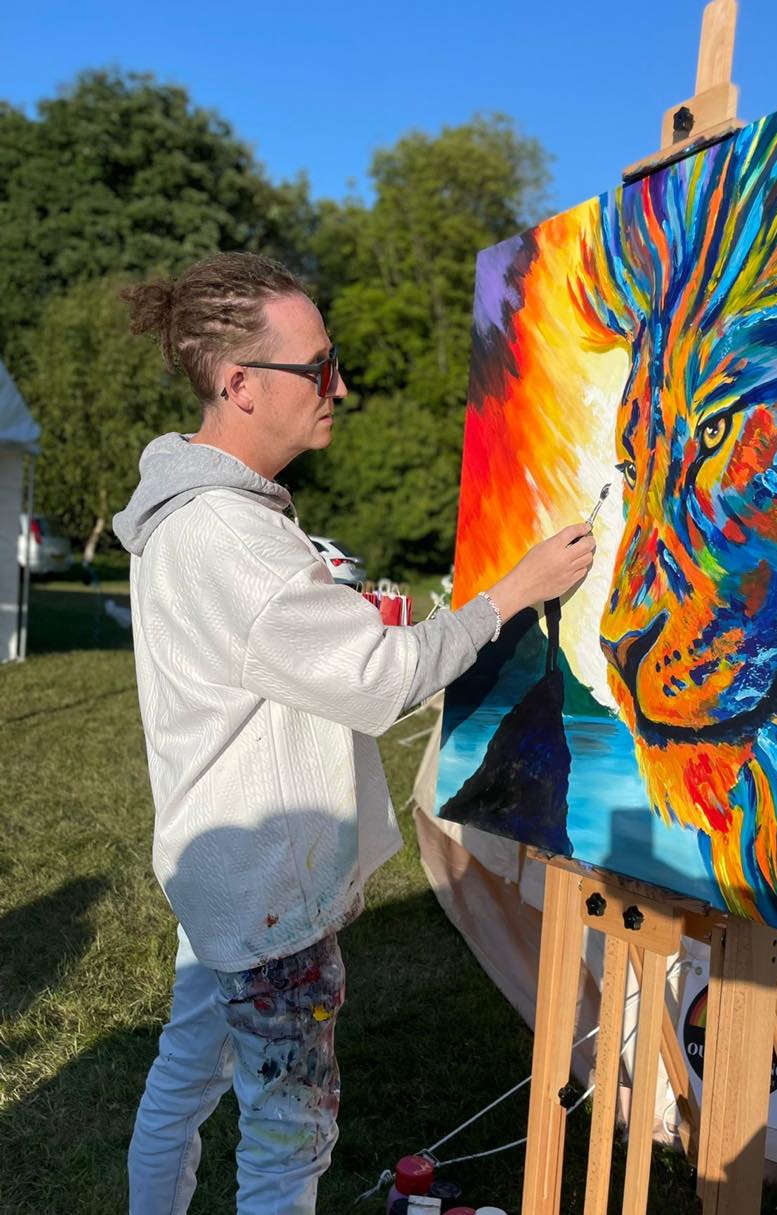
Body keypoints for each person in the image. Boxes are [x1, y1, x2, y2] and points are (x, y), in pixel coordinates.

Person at [112, 251, 595, 1215]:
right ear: (240, 383)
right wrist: (512, 593)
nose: (340, 386)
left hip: (223, 871)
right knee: (288, 1142)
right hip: (268, 898)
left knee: (186, 1078)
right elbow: (384, 681)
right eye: (318, 366)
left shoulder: (197, 511)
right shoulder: (231, 535)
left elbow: (290, 647)